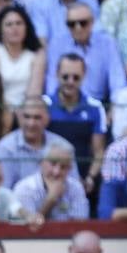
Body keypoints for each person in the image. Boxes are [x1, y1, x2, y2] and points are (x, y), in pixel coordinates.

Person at [45, 2, 125, 105]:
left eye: (83, 23)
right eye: (72, 24)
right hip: (64, 104)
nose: (78, 28)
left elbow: (117, 81)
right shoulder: (57, 44)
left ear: (92, 22)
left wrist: (116, 106)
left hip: (98, 104)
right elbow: (52, 80)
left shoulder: (107, 43)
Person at [46, 54, 106, 186]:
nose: (70, 81)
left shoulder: (95, 107)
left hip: (82, 178)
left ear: (84, 76)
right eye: (65, 76)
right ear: (57, 74)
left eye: (76, 77)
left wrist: (90, 177)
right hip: (49, 174)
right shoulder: (44, 105)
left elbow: (99, 151)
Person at [0, 5, 46, 108]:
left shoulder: (37, 53)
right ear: (1, 30)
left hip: (27, 112)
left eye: (19, 23)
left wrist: (23, 115)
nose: (15, 28)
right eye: (9, 24)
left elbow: (34, 92)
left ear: (26, 27)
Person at [12, 143, 88, 221]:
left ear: (70, 169)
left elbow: (80, 224)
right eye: (53, 164)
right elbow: (28, 228)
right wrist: (50, 200)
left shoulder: (76, 187)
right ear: (41, 162)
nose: (56, 172)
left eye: (63, 167)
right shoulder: (24, 188)